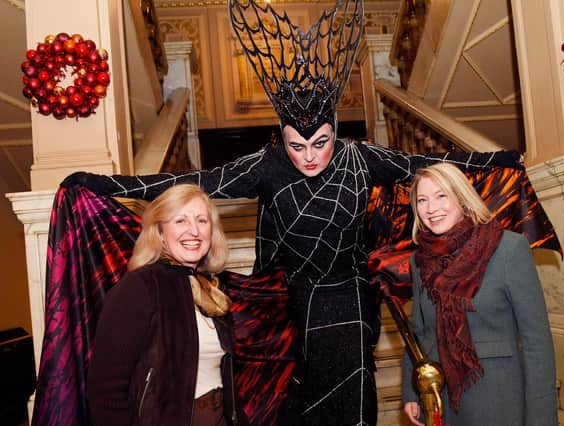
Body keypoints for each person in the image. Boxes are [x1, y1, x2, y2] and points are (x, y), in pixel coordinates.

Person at [63, 1, 526, 424]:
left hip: (353, 295)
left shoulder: (360, 157)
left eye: (320, 143)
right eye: (297, 145)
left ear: (334, 132)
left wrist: (496, 160)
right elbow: (193, 184)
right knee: (301, 397)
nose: (309, 156)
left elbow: (427, 165)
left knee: (354, 391)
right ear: (282, 138)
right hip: (294, 300)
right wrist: (109, 185)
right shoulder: (267, 165)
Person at [401, 163, 558, 426]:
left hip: (498, 400)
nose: (431, 209)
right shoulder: (420, 262)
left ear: (462, 198)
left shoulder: (508, 249)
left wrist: (541, 418)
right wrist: (412, 391)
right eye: (422, 200)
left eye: (441, 196)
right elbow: (418, 333)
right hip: (440, 402)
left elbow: (537, 342)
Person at [87, 184, 242, 426]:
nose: (194, 231)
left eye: (202, 220)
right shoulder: (141, 287)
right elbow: (105, 392)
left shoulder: (211, 290)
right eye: (180, 221)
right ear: (159, 233)